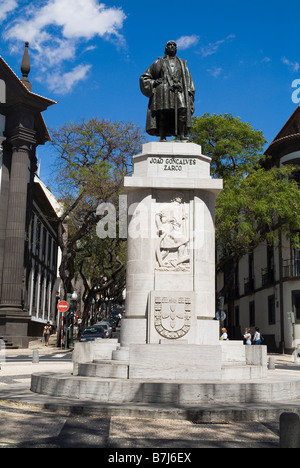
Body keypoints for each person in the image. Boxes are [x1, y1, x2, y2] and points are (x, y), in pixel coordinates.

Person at [140, 40, 195, 141]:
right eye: (170, 45)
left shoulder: (182, 63)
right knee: (162, 114)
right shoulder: (159, 62)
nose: (172, 46)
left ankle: (182, 135)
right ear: (166, 48)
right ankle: (162, 137)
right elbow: (144, 77)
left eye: (174, 45)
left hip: (178, 90)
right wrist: (154, 82)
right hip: (163, 89)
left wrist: (188, 93)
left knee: (182, 109)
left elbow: (188, 80)